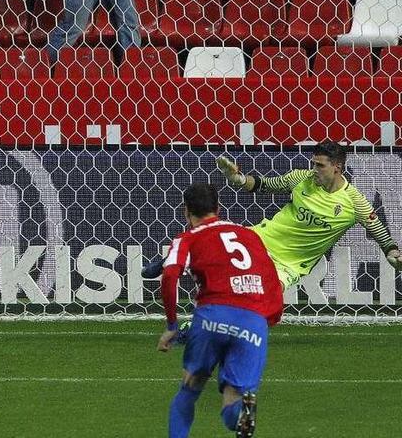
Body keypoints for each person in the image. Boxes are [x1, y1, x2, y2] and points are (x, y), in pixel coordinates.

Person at [158, 183, 283, 438]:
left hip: (213, 316)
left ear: (186, 211)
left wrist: (172, 326)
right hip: (252, 320)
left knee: (189, 390)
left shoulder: (187, 238)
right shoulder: (249, 235)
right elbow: (272, 279)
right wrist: (268, 318)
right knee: (233, 400)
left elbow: (169, 278)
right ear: (218, 207)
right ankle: (241, 413)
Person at [215, 141, 402, 288]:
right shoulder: (301, 178)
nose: (314, 170)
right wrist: (238, 179)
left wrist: (392, 253)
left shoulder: (354, 202)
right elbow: (262, 185)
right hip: (260, 239)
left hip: (289, 266)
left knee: (260, 299)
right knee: (212, 254)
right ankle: (198, 323)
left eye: (320, 166)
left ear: (337, 167)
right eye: (313, 164)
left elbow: (381, 233)